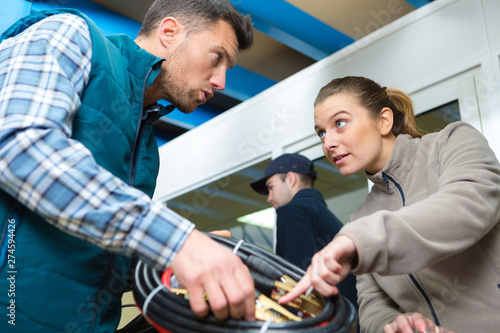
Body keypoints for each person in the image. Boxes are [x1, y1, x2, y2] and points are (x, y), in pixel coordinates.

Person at [0, 1, 256, 332]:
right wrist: (177, 240)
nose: (221, 81)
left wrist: (173, 262)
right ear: (169, 32)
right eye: (217, 57)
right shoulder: (71, 34)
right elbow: (19, 144)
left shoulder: (147, 149)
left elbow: (99, 251)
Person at [280, 76, 500, 333]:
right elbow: (372, 305)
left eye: (339, 123)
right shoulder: (359, 220)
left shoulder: (452, 142)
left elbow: (465, 208)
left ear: (384, 121)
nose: (327, 143)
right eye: (321, 133)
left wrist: (360, 240)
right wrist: (391, 324)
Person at [250, 153, 357, 310]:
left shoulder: (293, 211)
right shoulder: (327, 218)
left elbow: (295, 283)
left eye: (271, 187)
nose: (269, 198)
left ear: (291, 179)